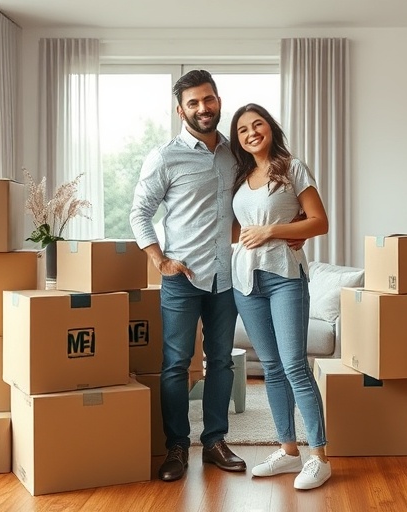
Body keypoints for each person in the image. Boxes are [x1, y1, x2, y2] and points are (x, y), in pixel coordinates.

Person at [129, 70, 246, 482]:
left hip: (226, 277)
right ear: (180, 110)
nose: (203, 108)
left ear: (218, 100)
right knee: (176, 364)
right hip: (181, 277)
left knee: (221, 363)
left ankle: (214, 442)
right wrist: (159, 261)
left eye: (208, 99)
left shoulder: (237, 155)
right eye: (193, 102)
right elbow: (138, 212)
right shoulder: (164, 157)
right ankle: (176, 446)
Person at [228, 103, 331, 490]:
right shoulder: (240, 177)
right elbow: (237, 231)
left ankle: (319, 457)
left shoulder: (292, 167)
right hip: (245, 281)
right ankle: (289, 452)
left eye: (258, 125)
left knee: (294, 366)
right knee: (271, 367)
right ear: (238, 140)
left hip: (286, 276)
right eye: (243, 130)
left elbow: (320, 221)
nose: (252, 132)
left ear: (270, 128)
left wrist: (273, 231)